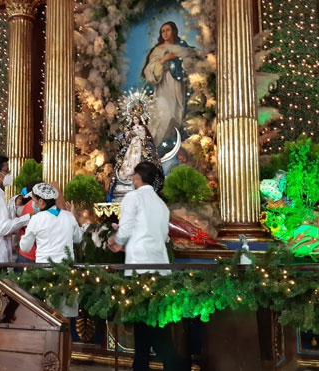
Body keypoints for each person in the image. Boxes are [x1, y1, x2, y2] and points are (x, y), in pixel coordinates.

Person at [107, 162, 188, 370]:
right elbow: (161, 236)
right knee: (143, 320)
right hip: (159, 266)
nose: (132, 178)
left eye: (134, 175)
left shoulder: (133, 197)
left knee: (149, 322)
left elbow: (127, 227)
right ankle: (140, 364)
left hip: (139, 267)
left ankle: (174, 365)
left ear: (138, 177)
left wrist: (117, 240)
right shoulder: (161, 203)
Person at [20, 183, 84, 318]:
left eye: (34, 201)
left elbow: (24, 247)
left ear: (42, 202)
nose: (34, 204)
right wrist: (73, 217)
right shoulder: (68, 216)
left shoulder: (36, 219)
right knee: (66, 316)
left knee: (47, 316)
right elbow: (78, 238)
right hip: (67, 272)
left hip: (44, 273)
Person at [142, 21, 191, 147]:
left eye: (167, 30)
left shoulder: (181, 47)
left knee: (176, 115)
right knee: (164, 115)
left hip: (178, 85)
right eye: (162, 31)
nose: (165, 33)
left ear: (174, 31)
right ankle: (154, 147)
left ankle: (167, 147)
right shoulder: (158, 50)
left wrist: (182, 64)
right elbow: (149, 70)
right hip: (164, 86)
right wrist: (164, 60)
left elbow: (190, 61)